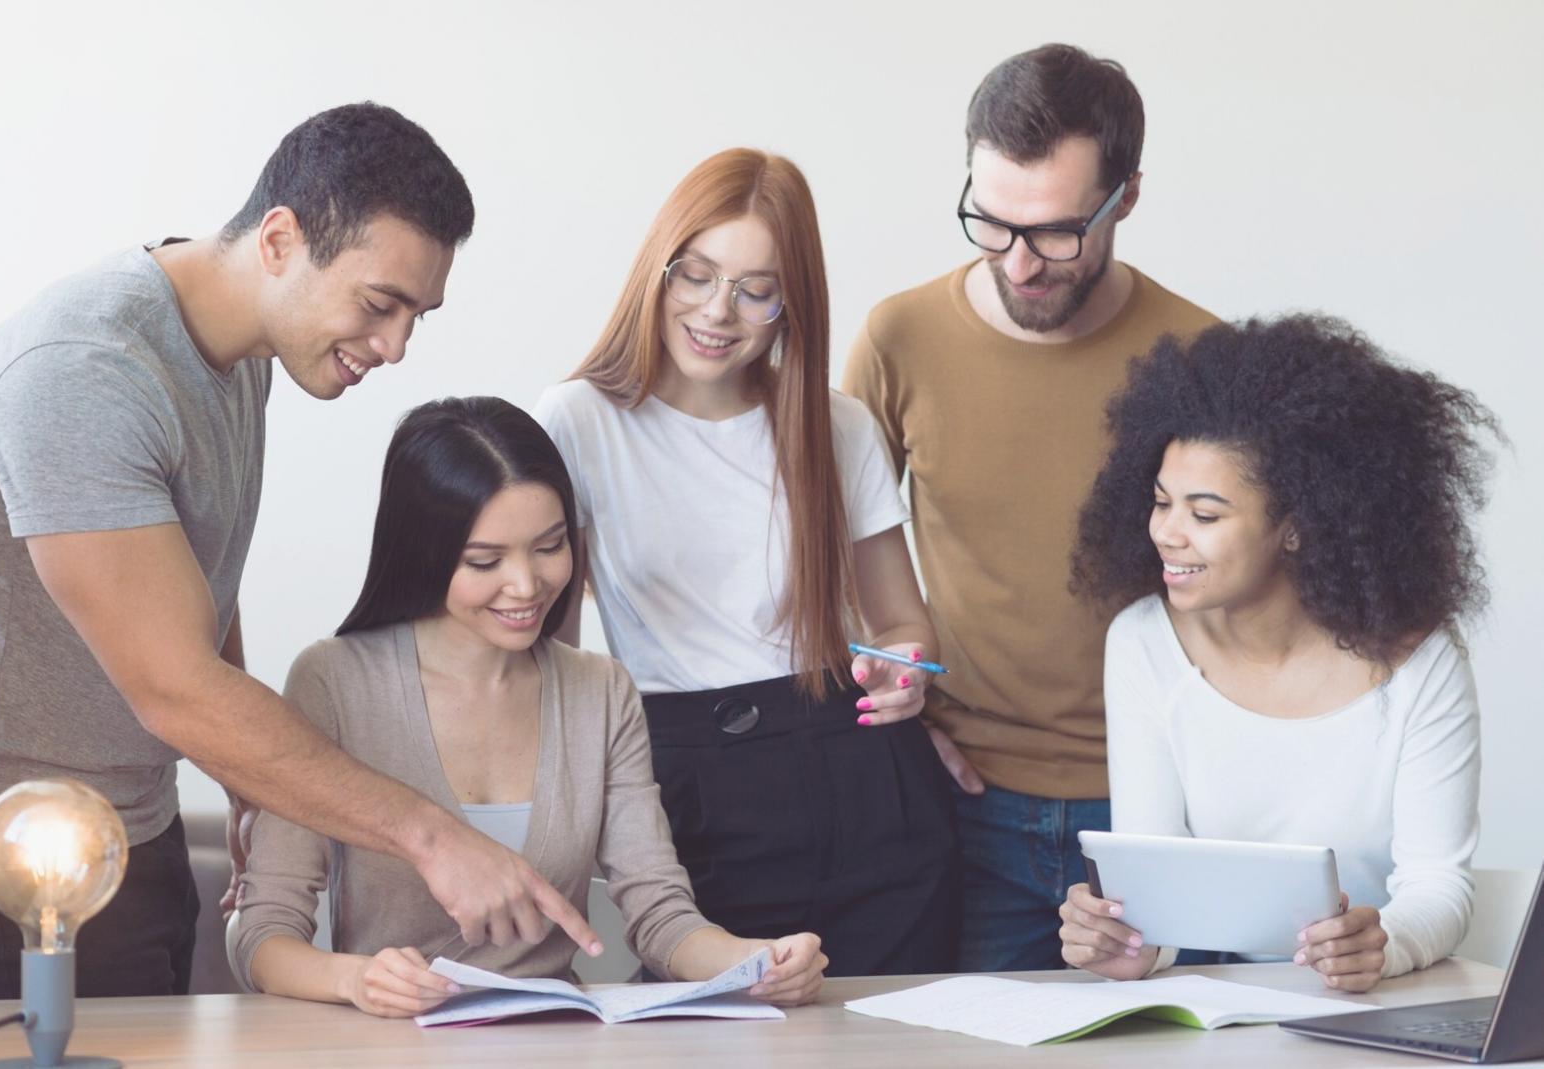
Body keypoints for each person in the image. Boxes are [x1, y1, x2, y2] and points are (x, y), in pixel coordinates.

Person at [0, 103, 597, 1044]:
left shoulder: (244, 347)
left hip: (130, 837)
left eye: (417, 313)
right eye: (379, 304)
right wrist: (434, 836)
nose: (397, 347)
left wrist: (253, 780)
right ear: (282, 239)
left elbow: (194, 576)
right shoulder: (81, 369)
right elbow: (173, 684)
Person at [231, 397, 826, 1016]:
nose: (527, 585)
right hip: (393, 1049)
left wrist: (754, 962)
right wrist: (357, 979)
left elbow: (660, 915)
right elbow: (263, 937)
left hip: (552, 1043)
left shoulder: (599, 689)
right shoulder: (334, 681)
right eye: (484, 561)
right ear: (423, 554)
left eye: (549, 547)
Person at [534, 148, 957, 976]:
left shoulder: (836, 427)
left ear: (790, 306)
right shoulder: (577, 420)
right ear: (657, 270)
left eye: (755, 288)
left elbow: (902, 624)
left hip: (863, 776)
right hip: (687, 779)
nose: (717, 311)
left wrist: (906, 675)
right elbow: (552, 659)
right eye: (696, 274)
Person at [842, 43, 1218, 971]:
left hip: (1162, 807)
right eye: (990, 222)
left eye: (1055, 232)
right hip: (960, 804)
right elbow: (824, 551)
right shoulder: (899, 337)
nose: (1019, 262)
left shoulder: (1200, 354)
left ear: (1125, 195)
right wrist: (902, 710)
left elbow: (1247, 595)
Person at [1058, 314, 1498, 993]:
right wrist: (1125, 941)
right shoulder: (1143, 639)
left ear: (1295, 527)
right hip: (1223, 1001)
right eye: (1159, 502)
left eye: (1204, 515)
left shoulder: (1420, 660)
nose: (1167, 533)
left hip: (1380, 999)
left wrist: (1383, 943)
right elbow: (1156, 878)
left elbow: (1437, 883)